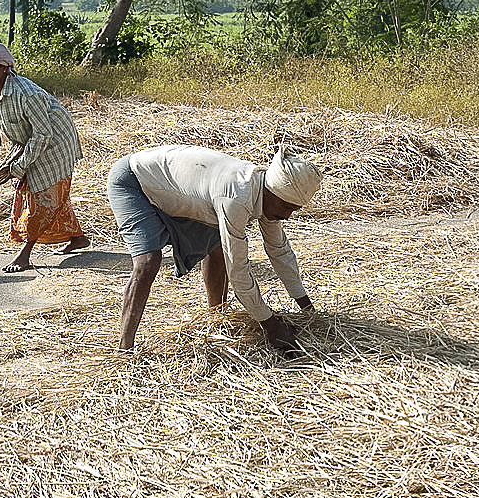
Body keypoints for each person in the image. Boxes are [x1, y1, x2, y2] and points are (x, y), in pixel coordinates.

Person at [107, 144, 322, 352]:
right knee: (148, 261)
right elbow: (238, 273)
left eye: (293, 210)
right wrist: (271, 326)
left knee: (218, 247)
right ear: (273, 193)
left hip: (174, 189)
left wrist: (307, 310)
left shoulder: (267, 193)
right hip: (134, 182)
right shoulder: (236, 197)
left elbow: (279, 251)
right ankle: (125, 349)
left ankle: (216, 319)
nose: (287, 216)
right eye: (286, 208)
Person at [0, 43, 90, 272]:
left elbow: (43, 135)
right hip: (29, 142)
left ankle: (24, 255)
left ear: (5, 69)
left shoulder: (27, 94)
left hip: (55, 143)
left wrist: (16, 167)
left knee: (41, 195)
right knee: (47, 193)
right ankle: (77, 238)